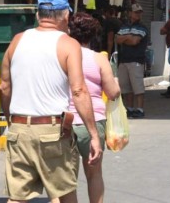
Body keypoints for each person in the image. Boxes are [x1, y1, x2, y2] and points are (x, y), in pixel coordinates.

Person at [0, 0, 102, 203]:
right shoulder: (68, 44)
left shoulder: (17, 40)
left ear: (38, 15)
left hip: (19, 130)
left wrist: (11, 120)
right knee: (65, 194)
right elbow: (79, 91)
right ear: (66, 17)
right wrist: (93, 134)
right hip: (52, 132)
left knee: (18, 197)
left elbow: (4, 86)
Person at [66, 13, 121, 203]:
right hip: (93, 121)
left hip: (65, 120)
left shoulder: (61, 57)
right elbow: (113, 92)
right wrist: (115, 80)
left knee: (65, 179)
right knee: (94, 174)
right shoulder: (99, 59)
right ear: (93, 35)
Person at [116, 3, 149, 118]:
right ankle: (129, 108)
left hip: (136, 60)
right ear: (130, 13)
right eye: (135, 12)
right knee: (125, 87)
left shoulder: (142, 27)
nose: (138, 14)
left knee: (138, 86)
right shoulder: (124, 26)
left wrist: (125, 38)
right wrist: (128, 37)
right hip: (124, 60)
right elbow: (117, 39)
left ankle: (139, 109)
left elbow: (135, 41)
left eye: (139, 12)